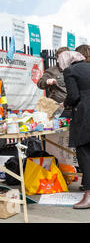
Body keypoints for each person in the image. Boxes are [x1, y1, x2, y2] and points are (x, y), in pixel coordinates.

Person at [59, 50, 90, 209]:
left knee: (84, 154)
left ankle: (89, 195)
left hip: (85, 116)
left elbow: (74, 96)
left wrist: (65, 104)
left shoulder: (70, 71)